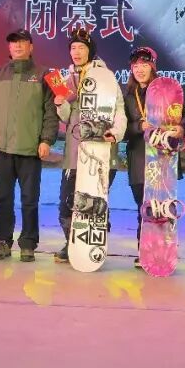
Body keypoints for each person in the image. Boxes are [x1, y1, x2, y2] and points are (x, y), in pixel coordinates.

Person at [0, 29, 59, 262]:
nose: (17, 46)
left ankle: (28, 243)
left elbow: (52, 112)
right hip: (1, 149)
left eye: (22, 42)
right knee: (2, 198)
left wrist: (46, 140)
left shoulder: (47, 74)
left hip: (30, 150)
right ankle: (2, 241)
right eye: (13, 43)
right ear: (9, 47)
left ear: (31, 47)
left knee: (29, 200)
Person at [54, 28, 127, 264]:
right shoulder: (67, 80)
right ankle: (72, 243)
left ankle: (95, 244)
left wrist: (115, 133)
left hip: (101, 152)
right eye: (73, 48)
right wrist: (60, 104)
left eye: (81, 48)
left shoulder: (106, 76)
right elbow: (67, 117)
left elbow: (119, 110)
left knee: (96, 201)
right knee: (67, 201)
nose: (76, 52)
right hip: (74, 152)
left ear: (90, 51)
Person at [122, 46, 185, 268]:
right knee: (145, 208)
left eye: (144, 65)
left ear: (152, 67)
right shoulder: (128, 97)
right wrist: (137, 126)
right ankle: (146, 253)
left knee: (164, 207)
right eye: (135, 66)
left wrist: (182, 128)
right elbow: (121, 129)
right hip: (139, 159)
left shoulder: (167, 91)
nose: (139, 70)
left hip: (163, 158)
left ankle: (164, 252)